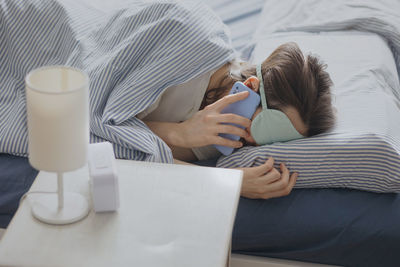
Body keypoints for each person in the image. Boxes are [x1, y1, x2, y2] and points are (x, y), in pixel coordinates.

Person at [137, 42, 335, 200]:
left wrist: (232, 181)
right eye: (263, 129)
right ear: (250, 86)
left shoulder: (223, 138)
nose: (253, 144)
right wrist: (179, 133)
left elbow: (131, 153)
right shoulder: (192, 56)